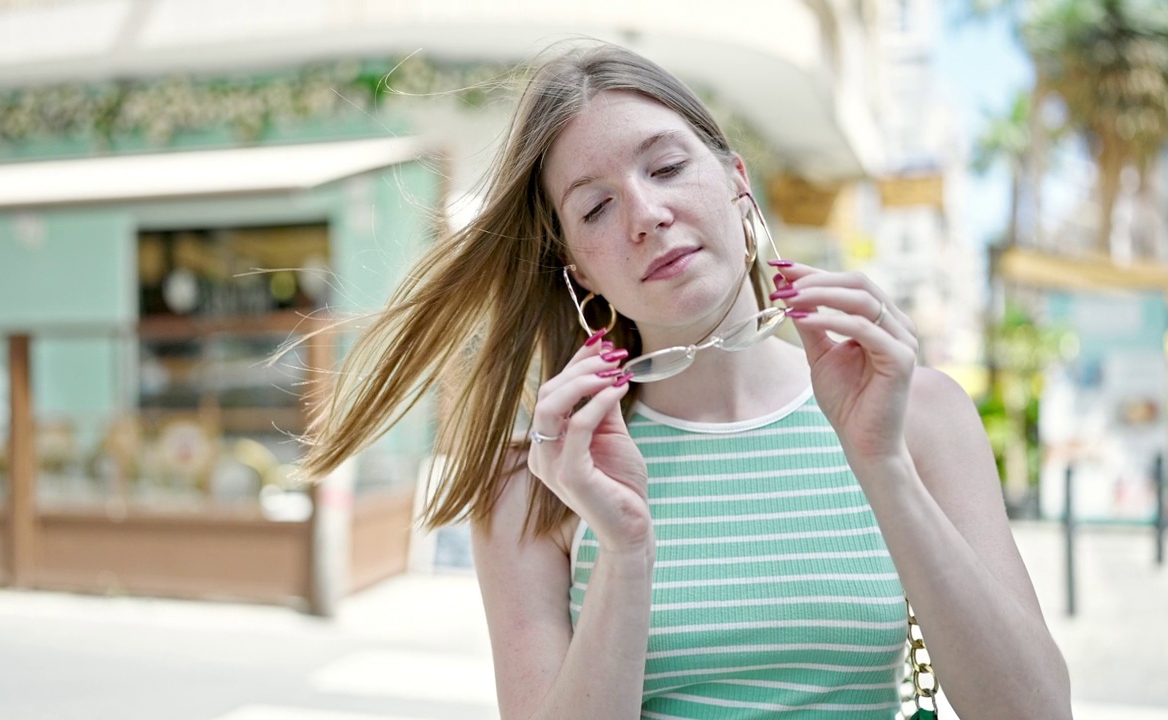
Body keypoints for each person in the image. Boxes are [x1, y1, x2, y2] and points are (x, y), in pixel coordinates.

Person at [301, 42, 1072, 720]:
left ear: (737, 181)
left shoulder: (915, 412)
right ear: (578, 270)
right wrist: (626, 550)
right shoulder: (537, 482)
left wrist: (883, 466)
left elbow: (1037, 713)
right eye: (596, 207)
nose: (646, 212)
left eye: (668, 166)